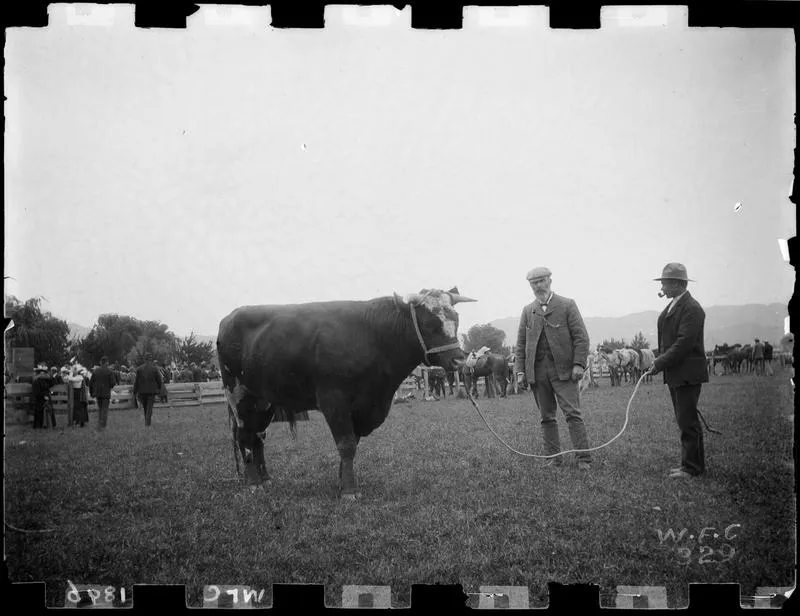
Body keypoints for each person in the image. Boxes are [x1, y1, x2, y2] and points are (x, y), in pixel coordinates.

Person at [515, 267, 592, 470]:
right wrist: (520, 372)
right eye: (534, 283)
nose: (538, 286)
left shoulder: (567, 305)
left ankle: (583, 459)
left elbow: (581, 337)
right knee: (546, 417)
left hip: (565, 371)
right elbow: (521, 345)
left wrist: (578, 364)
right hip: (538, 374)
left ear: (550, 280)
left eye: (541, 281)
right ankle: (553, 459)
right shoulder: (527, 311)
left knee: (573, 414)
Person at [648, 263, 708, 479]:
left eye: (665, 281)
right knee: (685, 420)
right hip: (677, 373)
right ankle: (691, 465)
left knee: (687, 421)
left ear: (677, 284)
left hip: (687, 373)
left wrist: (659, 363)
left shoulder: (692, 308)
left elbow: (683, 344)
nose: (662, 285)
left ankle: (691, 468)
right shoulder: (675, 305)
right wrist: (660, 360)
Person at [133, 354, 163, 427]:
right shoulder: (154, 369)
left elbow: (136, 381)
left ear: (144, 359)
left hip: (142, 391)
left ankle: (147, 422)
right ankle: (147, 423)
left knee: (145, 407)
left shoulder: (139, 369)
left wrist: (134, 391)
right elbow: (159, 380)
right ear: (150, 359)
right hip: (151, 391)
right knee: (149, 408)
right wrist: (159, 388)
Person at [91, 356, 118, 431]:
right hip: (106, 393)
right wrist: (109, 386)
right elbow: (113, 383)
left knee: (100, 408)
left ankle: (100, 423)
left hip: (98, 393)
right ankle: (103, 425)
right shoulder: (109, 371)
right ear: (107, 363)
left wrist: (92, 392)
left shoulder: (95, 371)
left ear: (101, 362)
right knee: (105, 409)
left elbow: (91, 383)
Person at [32, 364, 52, 429]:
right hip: (39, 399)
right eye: (41, 372)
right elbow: (36, 392)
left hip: (46, 397)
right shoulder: (36, 381)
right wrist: (44, 396)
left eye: (44, 372)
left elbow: (51, 383)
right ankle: (39, 425)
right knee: (39, 412)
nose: (43, 374)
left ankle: (47, 424)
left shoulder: (45, 380)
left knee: (48, 411)